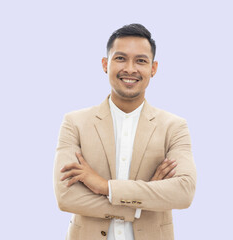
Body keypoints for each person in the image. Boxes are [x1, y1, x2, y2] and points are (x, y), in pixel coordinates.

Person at [53, 23, 196, 240]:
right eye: (120, 58)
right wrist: (142, 201)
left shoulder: (174, 127)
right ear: (105, 64)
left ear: (154, 68)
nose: (130, 69)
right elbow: (66, 197)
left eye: (141, 61)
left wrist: (105, 186)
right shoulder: (75, 123)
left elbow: (183, 192)